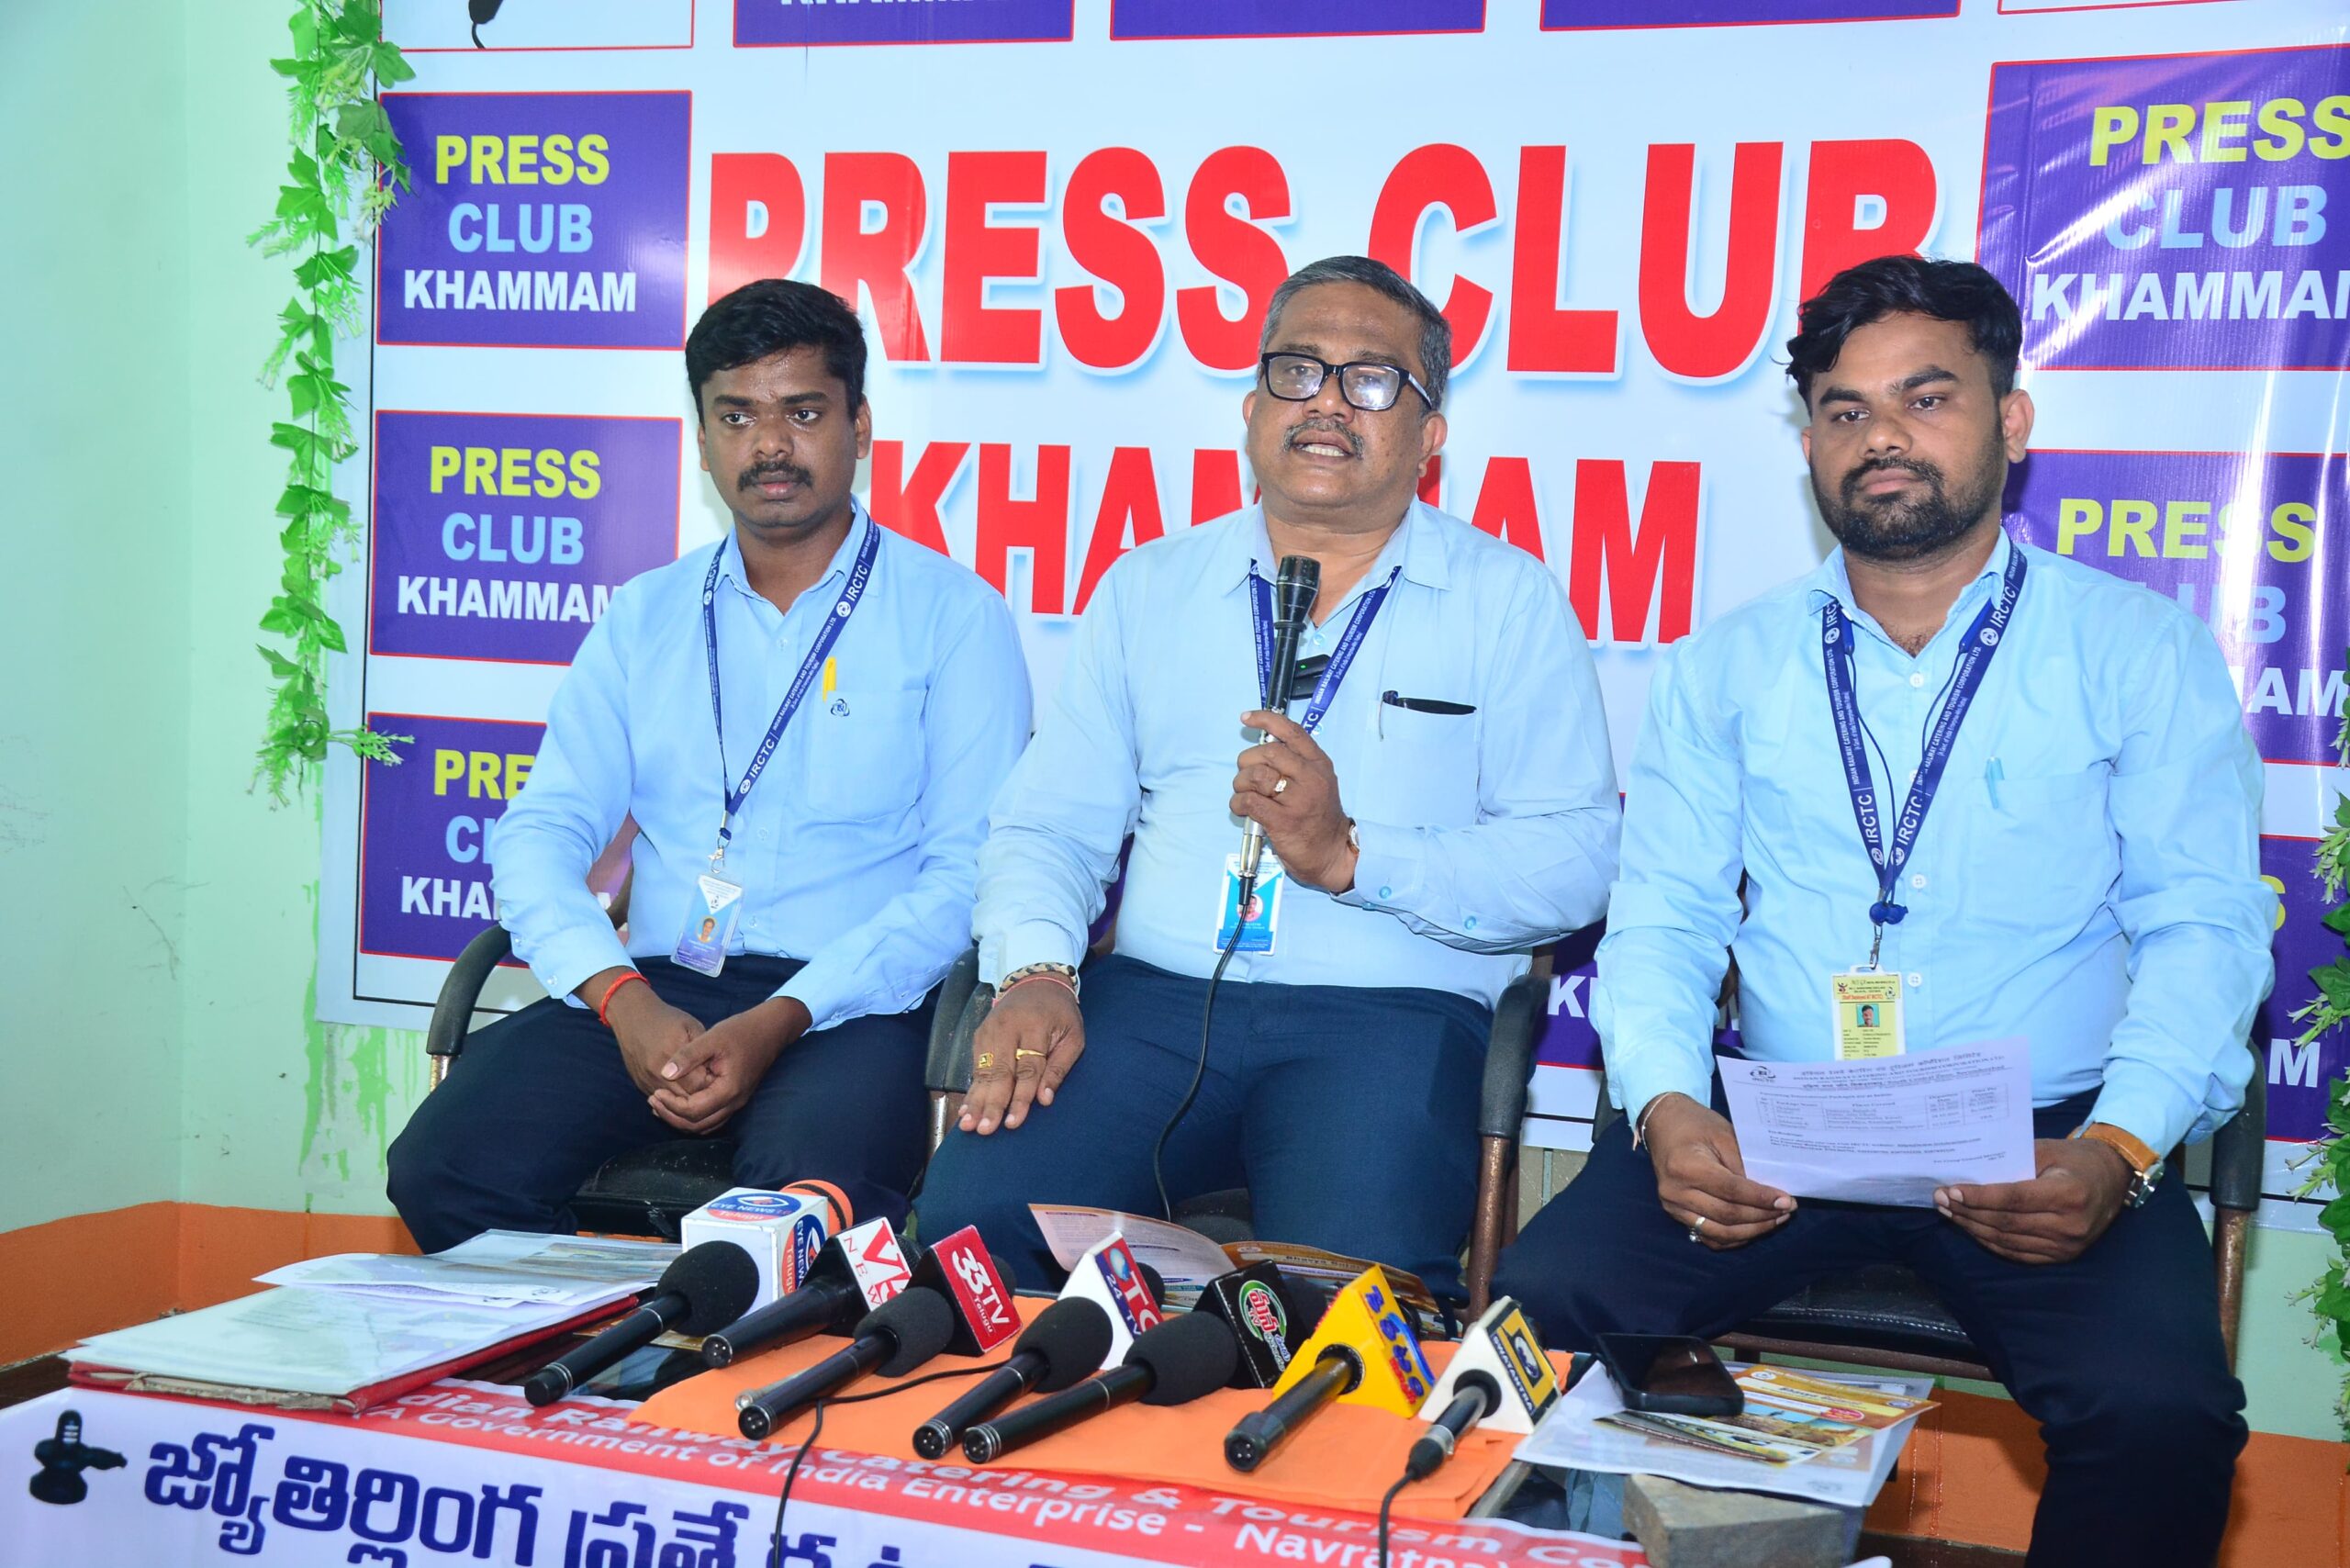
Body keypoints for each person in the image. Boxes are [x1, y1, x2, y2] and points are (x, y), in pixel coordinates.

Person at [1496, 255, 2273, 1567]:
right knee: (1539, 1313)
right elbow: (1667, 917)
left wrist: (2118, 1148)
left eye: (1926, 398)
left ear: (2011, 423)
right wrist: (1669, 1109)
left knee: (2160, 1412)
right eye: (1845, 411)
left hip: (2045, 1142)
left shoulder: (2136, 651)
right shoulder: (1727, 662)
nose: (1882, 438)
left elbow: (2203, 927)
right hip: (1776, 1128)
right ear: (1809, 442)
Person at [914, 256, 1620, 1294]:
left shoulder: (1507, 602)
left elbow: (1576, 860)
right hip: (1151, 1007)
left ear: (1430, 435)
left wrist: (1352, 857)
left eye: (1369, 379)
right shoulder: (1150, 587)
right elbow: (1049, 825)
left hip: (1390, 1016)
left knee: (1348, 1300)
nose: (1326, 402)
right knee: (968, 1234)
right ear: (1251, 409)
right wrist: (1035, 971)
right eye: (1297, 370)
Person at [388, 280, 1031, 1251]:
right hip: (657, 992)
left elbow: (963, 880)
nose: (769, 446)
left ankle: (720, 1350)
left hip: (851, 1007)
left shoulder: (954, 619)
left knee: (794, 1214)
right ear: (701, 440)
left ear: (859, 425)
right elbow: (540, 833)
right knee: (444, 1164)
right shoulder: (644, 617)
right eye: (736, 417)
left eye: (802, 413)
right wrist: (621, 999)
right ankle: (596, 1345)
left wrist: (784, 1015)